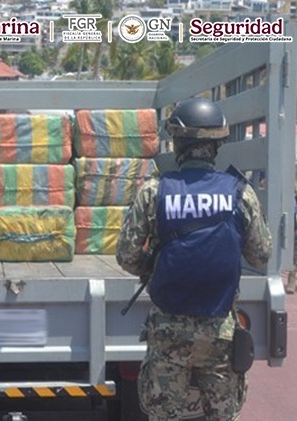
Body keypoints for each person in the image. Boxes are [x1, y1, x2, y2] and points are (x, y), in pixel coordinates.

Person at [115, 97, 272, 421]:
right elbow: (261, 254)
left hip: (168, 333)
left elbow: (127, 255)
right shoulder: (240, 192)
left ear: (178, 144)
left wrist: (153, 267)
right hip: (220, 332)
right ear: (216, 145)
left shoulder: (154, 191)